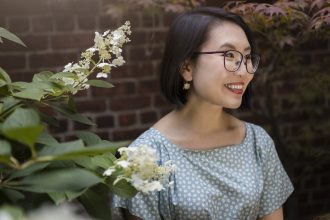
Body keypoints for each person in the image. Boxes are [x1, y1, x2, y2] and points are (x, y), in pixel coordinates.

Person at [112, 6, 294, 220]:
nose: (244, 71)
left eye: (246, 57)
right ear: (186, 67)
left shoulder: (257, 142)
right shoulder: (146, 156)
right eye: (229, 55)